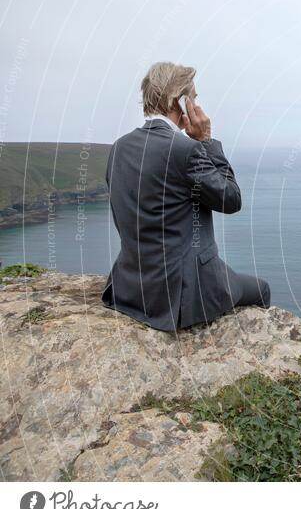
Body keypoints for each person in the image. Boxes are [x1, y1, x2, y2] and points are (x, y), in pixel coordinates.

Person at [102, 62, 270, 331]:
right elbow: (231, 199)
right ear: (178, 101)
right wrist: (206, 141)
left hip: (130, 288)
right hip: (179, 294)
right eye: (193, 98)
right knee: (261, 289)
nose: (196, 104)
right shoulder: (185, 150)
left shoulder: (119, 147)